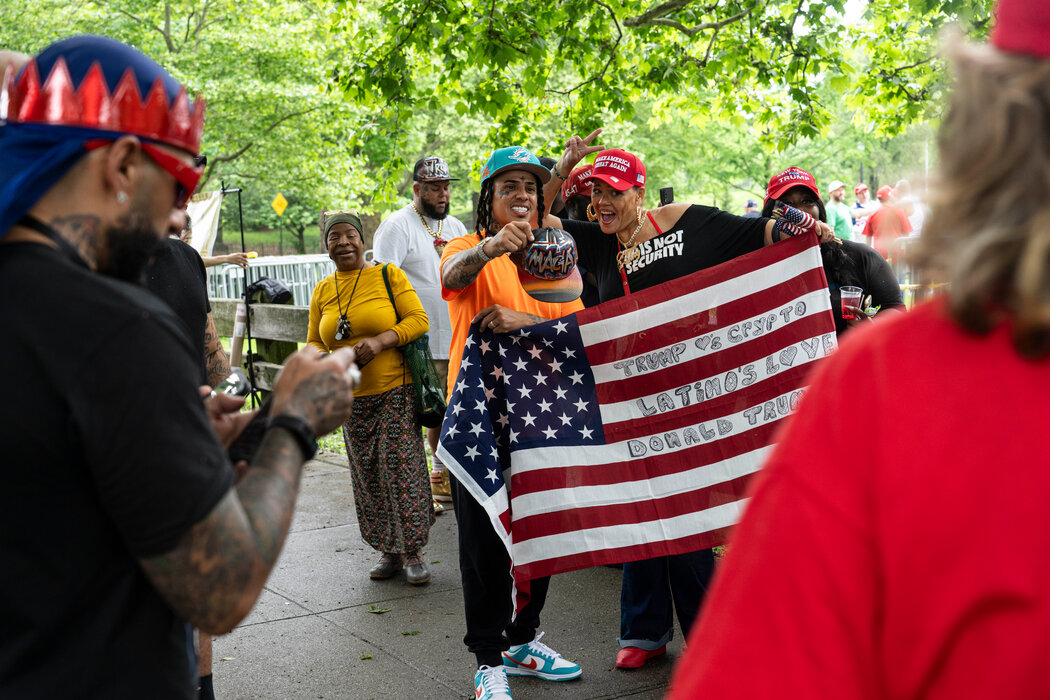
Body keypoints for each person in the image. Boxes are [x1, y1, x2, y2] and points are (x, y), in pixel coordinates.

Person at [668, 0, 1050, 696]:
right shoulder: (884, 384)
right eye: (787, 207)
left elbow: (893, 306)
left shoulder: (873, 316)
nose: (800, 217)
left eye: (807, 205)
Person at [0, 35, 356, 697]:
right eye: (181, 182)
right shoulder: (117, 326)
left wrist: (173, 438)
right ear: (124, 164)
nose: (178, 214)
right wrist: (294, 423)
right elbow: (220, 590)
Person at [545, 142, 835, 671]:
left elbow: (764, 232)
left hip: (691, 401)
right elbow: (536, 219)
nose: (601, 203)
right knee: (638, 510)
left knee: (686, 510)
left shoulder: (688, 223)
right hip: (628, 406)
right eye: (595, 194)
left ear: (638, 192)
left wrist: (807, 225)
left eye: (613, 193)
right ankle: (644, 632)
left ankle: (708, 634)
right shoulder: (594, 241)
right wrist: (562, 170)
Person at [439, 145, 586, 700]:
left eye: (529, 187)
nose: (521, 196)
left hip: (544, 417)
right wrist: (492, 247)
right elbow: (452, 273)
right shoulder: (468, 248)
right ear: (489, 200)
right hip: (480, 420)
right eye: (508, 188)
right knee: (483, 545)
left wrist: (523, 320)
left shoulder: (556, 258)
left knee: (540, 534)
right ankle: (487, 659)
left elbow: (577, 332)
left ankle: (522, 642)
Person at [308, 209, 434, 585]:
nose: (343, 242)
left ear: (362, 241)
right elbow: (314, 341)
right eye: (334, 237)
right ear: (326, 246)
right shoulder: (322, 289)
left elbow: (418, 320)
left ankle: (413, 550)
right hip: (351, 398)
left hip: (395, 389)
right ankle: (389, 550)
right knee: (368, 476)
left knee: (400, 469)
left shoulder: (387, 275)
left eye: (350, 235)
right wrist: (326, 361)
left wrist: (380, 341)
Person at [372, 155, 468, 510]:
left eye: (446, 187)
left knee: (450, 412)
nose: (443, 194)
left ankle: (440, 478)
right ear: (417, 189)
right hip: (418, 344)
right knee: (420, 414)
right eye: (434, 188)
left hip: (456, 338)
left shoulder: (455, 226)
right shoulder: (397, 226)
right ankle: (413, 489)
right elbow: (382, 283)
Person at [761, 168, 904, 336]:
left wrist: (871, 328)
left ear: (820, 210)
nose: (799, 210)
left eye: (807, 201)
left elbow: (896, 312)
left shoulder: (861, 257)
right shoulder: (756, 269)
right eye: (786, 204)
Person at [863, 185, 913, 259]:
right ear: (890, 197)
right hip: (897, 255)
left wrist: (869, 254)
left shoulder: (873, 214)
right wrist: (904, 250)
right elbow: (906, 234)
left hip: (879, 256)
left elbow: (868, 236)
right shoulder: (899, 212)